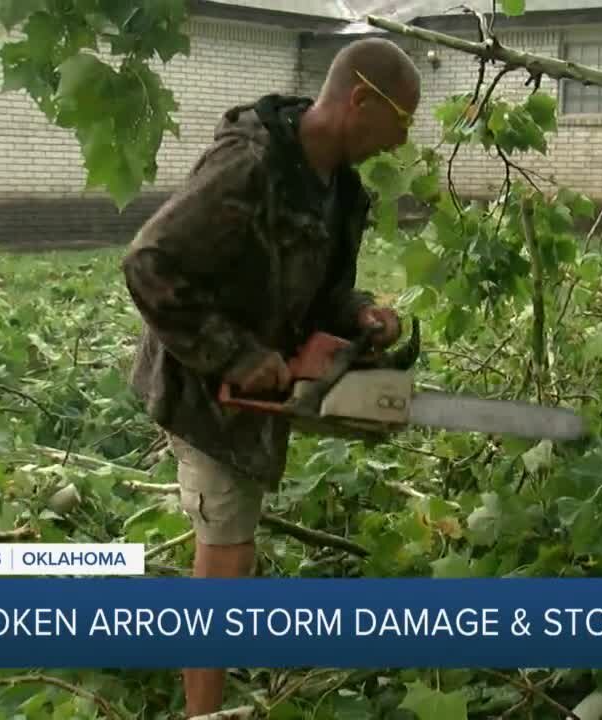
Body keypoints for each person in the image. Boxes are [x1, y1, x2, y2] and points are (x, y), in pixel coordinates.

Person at [119, 37, 420, 717]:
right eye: (398, 123)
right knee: (226, 556)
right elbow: (147, 264)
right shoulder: (250, 164)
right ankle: (204, 712)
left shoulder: (340, 190)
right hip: (202, 386)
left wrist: (363, 314)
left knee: (231, 545)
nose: (398, 143)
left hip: (260, 385)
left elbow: (325, 294)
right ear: (359, 100)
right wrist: (234, 357)